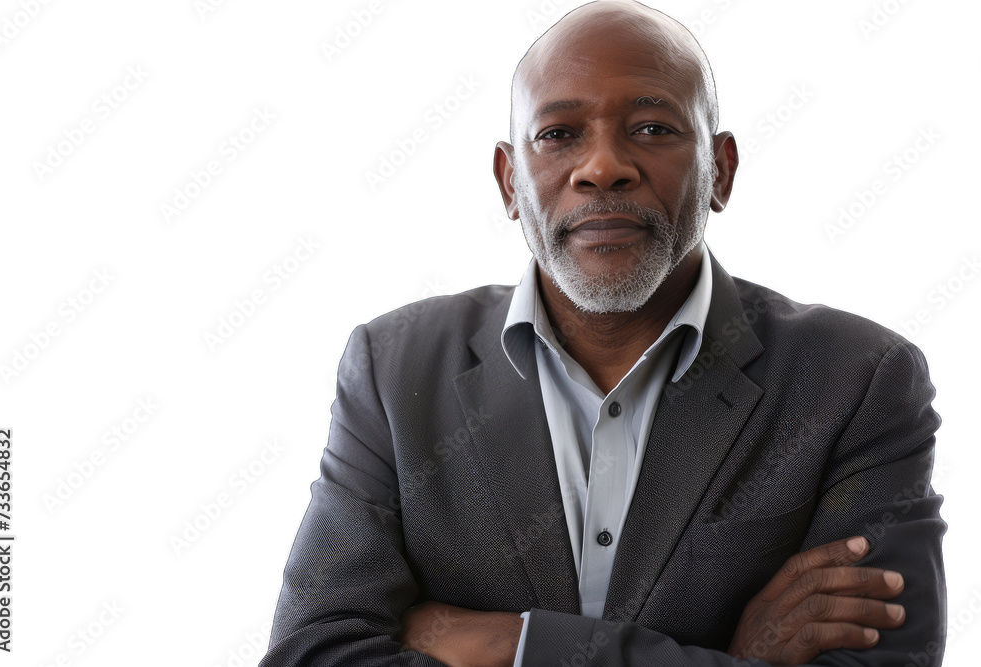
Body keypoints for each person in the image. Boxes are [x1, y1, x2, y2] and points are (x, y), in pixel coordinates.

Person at [259, 1, 946, 665]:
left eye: (652, 127)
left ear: (721, 169)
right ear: (509, 182)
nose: (603, 167)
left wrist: (511, 646)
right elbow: (313, 651)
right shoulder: (394, 367)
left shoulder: (857, 379)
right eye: (558, 135)